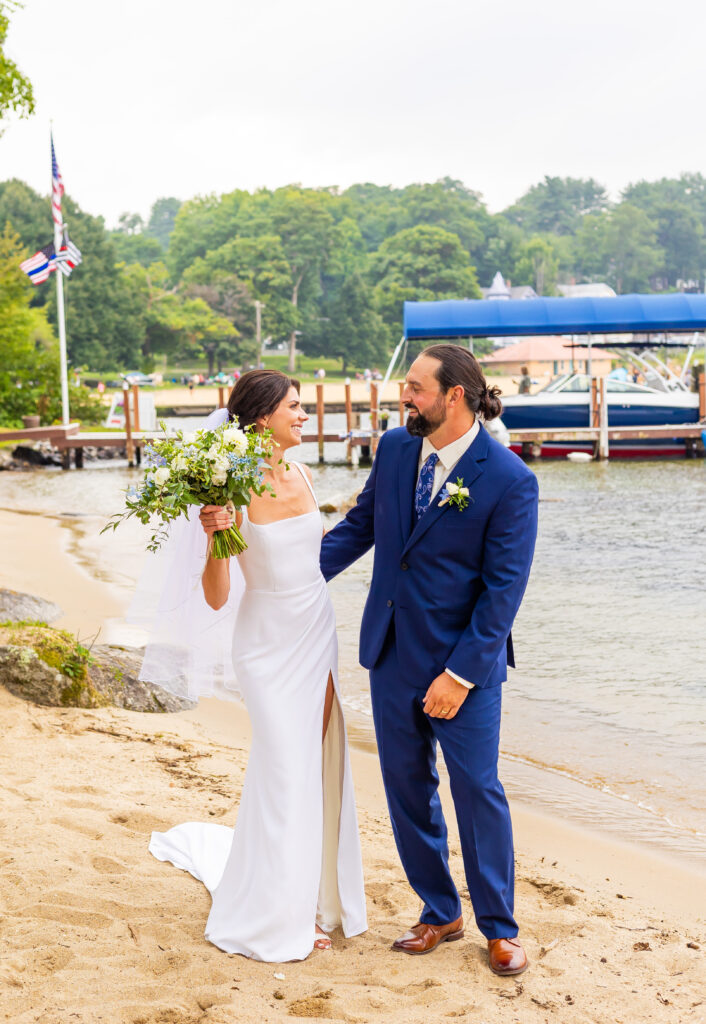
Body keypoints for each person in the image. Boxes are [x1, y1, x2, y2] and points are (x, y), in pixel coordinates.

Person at [320, 344, 538, 977]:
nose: (403, 398)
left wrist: (461, 674)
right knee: (407, 788)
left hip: (462, 668)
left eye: (415, 388)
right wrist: (290, 579)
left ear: (455, 396)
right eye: (405, 389)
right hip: (389, 652)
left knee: (477, 791)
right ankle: (439, 910)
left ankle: (499, 926)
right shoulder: (392, 449)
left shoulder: (509, 479)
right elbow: (361, 528)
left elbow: (504, 591)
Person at [145, 369, 367, 962]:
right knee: (283, 766)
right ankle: (277, 907)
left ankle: (321, 898)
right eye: (294, 406)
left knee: (319, 762)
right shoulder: (231, 491)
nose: (303, 415)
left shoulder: (302, 471)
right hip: (266, 644)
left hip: (317, 631)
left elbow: (315, 557)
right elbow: (217, 595)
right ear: (263, 415)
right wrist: (215, 533)